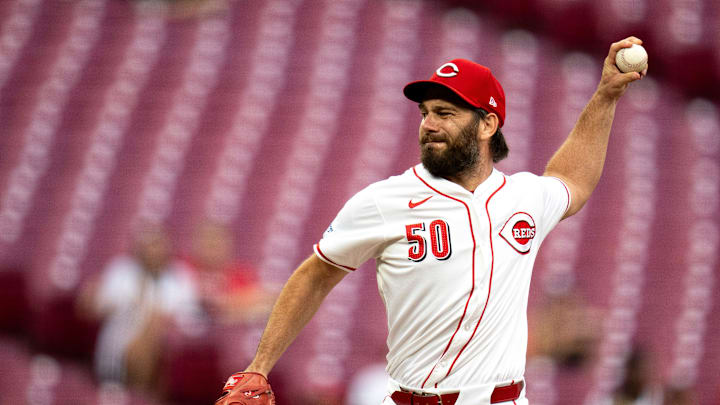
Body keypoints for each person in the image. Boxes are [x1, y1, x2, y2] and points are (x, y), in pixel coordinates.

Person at [216, 37, 648, 405]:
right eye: (426, 112)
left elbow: (571, 178)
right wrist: (259, 367)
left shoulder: (523, 198)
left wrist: (606, 95)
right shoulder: (384, 200)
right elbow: (317, 274)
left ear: (487, 124)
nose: (428, 124)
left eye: (446, 113)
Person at [77, 224, 200, 395]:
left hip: (164, 350)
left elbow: (192, 318)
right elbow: (98, 306)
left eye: (159, 246)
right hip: (117, 343)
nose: (154, 252)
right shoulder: (121, 271)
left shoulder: (180, 276)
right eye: (150, 246)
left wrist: (161, 319)